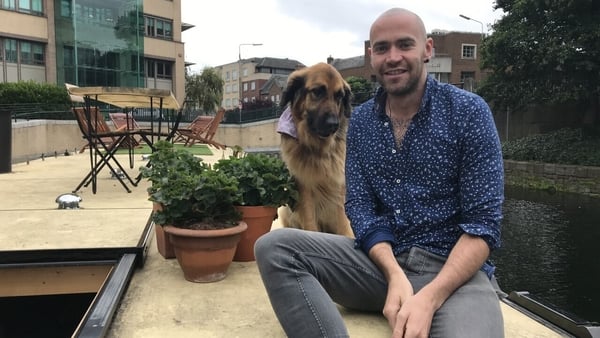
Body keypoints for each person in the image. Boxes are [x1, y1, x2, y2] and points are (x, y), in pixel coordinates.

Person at [255, 7, 504, 338]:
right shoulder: (360, 122)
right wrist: (394, 273)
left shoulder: (469, 112)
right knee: (273, 248)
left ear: (427, 49)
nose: (393, 57)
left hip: (453, 272)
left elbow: (482, 226)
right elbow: (359, 207)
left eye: (405, 45)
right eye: (383, 48)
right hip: (379, 265)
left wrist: (429, 298)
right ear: (372, 56)